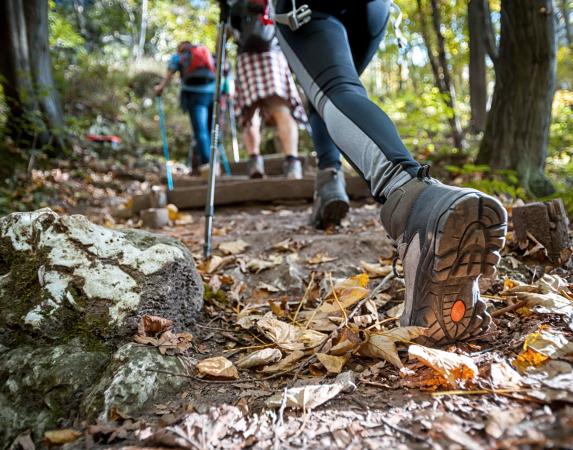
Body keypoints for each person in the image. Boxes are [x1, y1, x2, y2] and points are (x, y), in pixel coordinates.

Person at [271, 0, 508, 344]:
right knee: (331, 90)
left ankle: (411, 198)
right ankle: (330, 180)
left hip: (309, 7)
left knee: (333, 91)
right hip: (372, 12)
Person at [230, 0, 307, 179]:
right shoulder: (274, 3)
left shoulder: (237, 5)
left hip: (246, 57)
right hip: (273, 55)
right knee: (281, 110)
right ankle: (292, 164)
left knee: (249, 114)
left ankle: (254, 161)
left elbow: (232, 29)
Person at [154, 41, 216, 171]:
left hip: (194, 94)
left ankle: (208, 165)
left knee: (201, 131)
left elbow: (170, 74)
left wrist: (160, 88)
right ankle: (215, 163)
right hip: (212, 94)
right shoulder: (203, 52)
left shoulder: (178, 57)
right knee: (211, 130)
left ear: (179, 48)